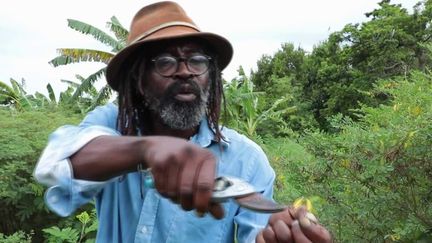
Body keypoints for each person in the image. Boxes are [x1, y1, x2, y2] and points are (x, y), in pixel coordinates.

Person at [34, 1, 331, 242]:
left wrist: (281, 235)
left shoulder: (247, 161)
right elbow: (56, 167)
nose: (185, 72)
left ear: (210, 75)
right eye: (165, 62)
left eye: (197, 60)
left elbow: (258, 233)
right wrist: (145, 150)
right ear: (139, 80)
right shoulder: (114, 125)